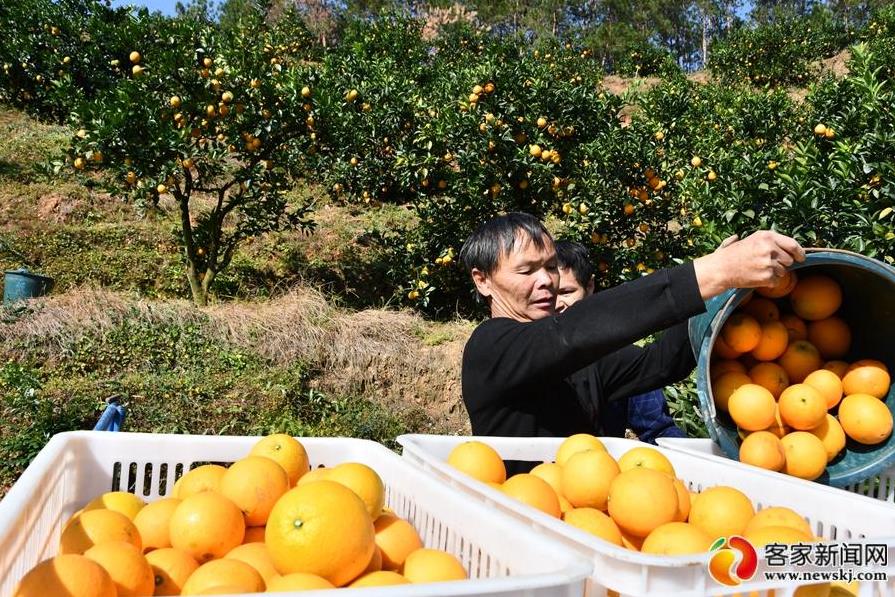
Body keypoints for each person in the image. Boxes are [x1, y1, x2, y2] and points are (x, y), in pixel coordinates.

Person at [459, 212, 804, 451]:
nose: (547, 280)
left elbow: (659, 363)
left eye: (550, 266)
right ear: (482, 280)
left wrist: (716, 297)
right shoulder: (490, 348)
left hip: (585, 523)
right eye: (526, 271)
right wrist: (714, 272)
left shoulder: (583, 364)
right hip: (520, 522)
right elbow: (570, 334)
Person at [554, 240, 685, 443]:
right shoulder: (518, 355)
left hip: (599, 467)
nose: (557, 304)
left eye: (566, 292)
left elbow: (658, 430)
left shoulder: (617, 357)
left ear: (589, 286)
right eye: (548, 295)